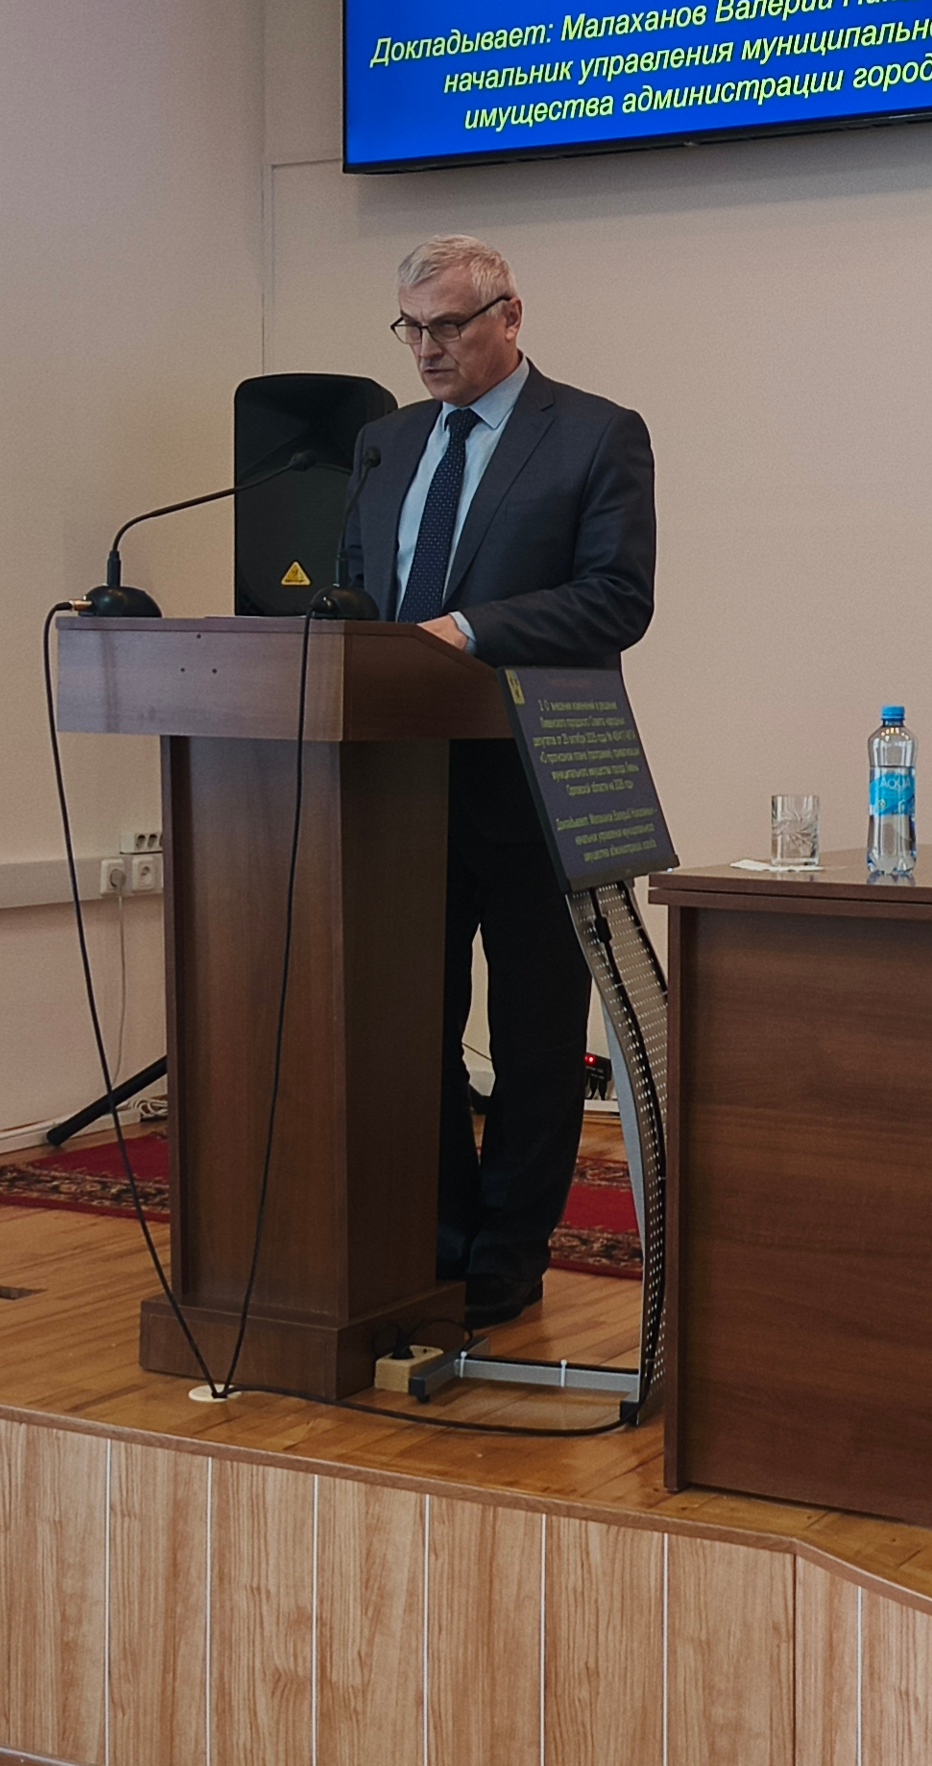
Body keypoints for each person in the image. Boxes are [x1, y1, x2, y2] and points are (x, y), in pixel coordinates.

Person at [343, 235, 656, 1328]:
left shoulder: (596, 434)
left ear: (509, 318)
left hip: (537, 778)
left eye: (448, 326)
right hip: (398, 790)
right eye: (411, 328)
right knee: (409, 1028)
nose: (426, 349)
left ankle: (508, 1259)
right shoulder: (383, 444)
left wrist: (466, 630)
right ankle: (436, 1243)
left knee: (534, 1039)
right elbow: (356, 599)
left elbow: (616, 598)